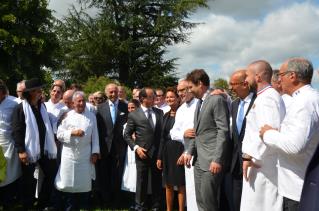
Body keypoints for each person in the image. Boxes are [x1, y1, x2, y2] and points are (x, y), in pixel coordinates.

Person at [259, 58, 319, 211]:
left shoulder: (304, 103)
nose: (279, 79)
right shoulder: (308, 99)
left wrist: (268, 133)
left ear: (292, 76)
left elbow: (294, 146)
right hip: (300, 184)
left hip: (298, 188)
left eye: (281, 74)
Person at [240, 60, 285, 211]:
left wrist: (248, 156)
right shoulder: (263, 97)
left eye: (247, 75)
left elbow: (268, 132)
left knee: (261, 204)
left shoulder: (267, 98)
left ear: (258, 77)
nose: (245, 80)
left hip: (263, 164)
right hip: (259, 161)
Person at [186, 69, 230, 211]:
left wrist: (217, 159)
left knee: (209, 201)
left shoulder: (216, 99)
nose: (189, 91)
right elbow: (197, 132)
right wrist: (189, 152)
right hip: (199, 160)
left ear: (199, 84)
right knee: (200, 199)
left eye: (190, 87)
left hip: (211, 160)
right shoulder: (199, 103)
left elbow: (223, 131)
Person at [12, 78, 58, 210]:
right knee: (28, 179)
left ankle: (42, 203)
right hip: (29, 150)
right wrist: (21, 150)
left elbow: (47, 125)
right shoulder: (20, 108)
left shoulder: (42, 106)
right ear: (31, 92)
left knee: (52, 173)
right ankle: (27, 204)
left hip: (44, 148)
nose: (40, 92)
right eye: (38, 90)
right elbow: (17, 130)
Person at [54, 91, 100, 210]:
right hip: (69, 155)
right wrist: (72, 133)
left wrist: (95, 152)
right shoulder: (67, 116)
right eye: (78, 101)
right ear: (73, 103)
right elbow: (59, 134)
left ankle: (84, 206)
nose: (81, 103)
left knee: (84, 183)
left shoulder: (92, 116)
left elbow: (95, 136)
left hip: (85, 155)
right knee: (68, 183)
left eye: (83, 100)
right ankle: (69, 207)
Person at [124, 87, 164, 211]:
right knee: (141, 181)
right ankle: (140, 206)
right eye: (152, 96)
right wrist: (136, 148)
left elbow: (161, 135)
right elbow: (126, 135)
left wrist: (160, 154)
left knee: (157, 180)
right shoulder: (134, 114)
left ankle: (156, 206)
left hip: (157, 153)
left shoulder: (159, 112)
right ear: (142, 99)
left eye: (155, 96)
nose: (155, 98)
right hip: (142, 153)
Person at [228, 69, 256, 211]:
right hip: (235, 162)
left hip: (253, 161)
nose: (230, 88)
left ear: (245, 84)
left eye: (233, 84)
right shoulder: (233, 104)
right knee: (236, 199)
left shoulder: (259, 101)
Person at [95, 83, 128, 206]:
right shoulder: (99, 108)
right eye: (110, 92)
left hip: (120, 147)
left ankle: (117, 200)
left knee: (118, 174)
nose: (113, 94)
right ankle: (105, 200)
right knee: (104, 174)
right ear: (106, 93)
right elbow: (97, 129)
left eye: (115, 91)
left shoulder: (125, 107)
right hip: (104, 148)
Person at [170, 79, 199, 211]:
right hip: (186, 152)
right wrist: (183, 133)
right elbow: (173, 132)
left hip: (200, 152)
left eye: (183, 90)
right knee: (190, 188)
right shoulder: (181, 109)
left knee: (199, 189)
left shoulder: (200, 104)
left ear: (191, 88)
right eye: (178, 91)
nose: (180, 93)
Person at [156, 87, 184, 211]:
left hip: (180, 151)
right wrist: (159, 157)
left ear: (178, 98)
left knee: (181, 184)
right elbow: (162, 138)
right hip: (167, 152)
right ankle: (169, 209)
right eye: (167, 97)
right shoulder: (165, 115)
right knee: (168, 184)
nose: (169, 99)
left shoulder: (184, 113)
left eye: (172, 97)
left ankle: (181, 209)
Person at [0, 82, 21, 209]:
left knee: (8, 175)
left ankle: (8, 201)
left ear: (2, 91)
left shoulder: (14, 103)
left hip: (8, 144)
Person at [122, 99, 141, 193]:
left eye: (132, 107)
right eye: (128, 108)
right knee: (130, 172)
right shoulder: (127, 121)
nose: (130, 109)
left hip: (140, 149)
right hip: (130, 150)